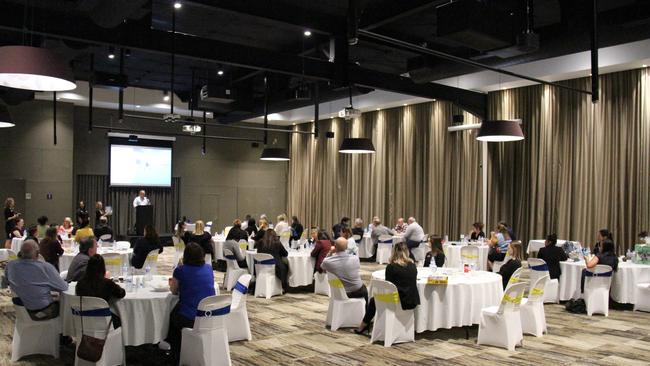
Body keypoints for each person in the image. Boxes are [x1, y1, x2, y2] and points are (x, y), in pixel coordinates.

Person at [164, 243, 216, 361]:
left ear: (185, 256)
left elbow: (174, 291)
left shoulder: (180, 271)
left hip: (190, 318)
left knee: (171, 315)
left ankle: (175, 351)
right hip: (210, 315)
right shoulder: (208, 268)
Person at [356, 241, 419, 335]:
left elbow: (388, 287)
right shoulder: (413, 266)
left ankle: (363, 325)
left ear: (393, 252)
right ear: (407, 252)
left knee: (374, 300)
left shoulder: (391, 267)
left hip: (398, 303)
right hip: (412, 301)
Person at [6, 240, 68, 320]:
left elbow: (7, 282)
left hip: (20, 311)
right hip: (41, 312)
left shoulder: (10, 265)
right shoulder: (45, 267)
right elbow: (64, 287)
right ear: (37, 253)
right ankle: (64, 331)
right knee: (66, 307)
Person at [75, 254, 126, 328]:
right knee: (121, 317)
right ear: (103, 268)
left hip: (83, 319)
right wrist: (108, 280)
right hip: (103, 320)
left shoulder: (80, 283)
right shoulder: (107, 283)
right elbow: (121, 293)